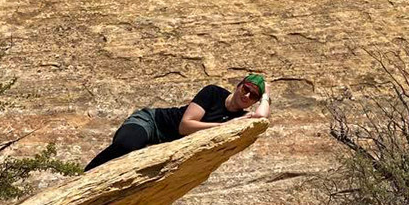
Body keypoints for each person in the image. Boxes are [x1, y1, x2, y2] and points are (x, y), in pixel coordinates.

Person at [84, 73, 270, 172]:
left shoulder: (241, 116)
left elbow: (262, 118)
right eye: (246, 89)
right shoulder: (213, 93)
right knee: (128, 144)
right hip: (151, 123)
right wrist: (224, 127)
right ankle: (86, 175)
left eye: (253, 95)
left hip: (167, 145)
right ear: (238, 86)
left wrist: (266, 96)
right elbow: (186, 125)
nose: (246, 96)